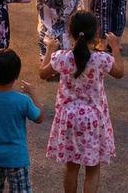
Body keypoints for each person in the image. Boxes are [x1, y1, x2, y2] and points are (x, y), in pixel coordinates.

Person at [40, 11, 122, 193]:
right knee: (93, 168)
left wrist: (49, 51)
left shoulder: (62, 57)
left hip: (69, 117)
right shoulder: (101, 59)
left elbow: (42, 73)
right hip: (93, 118)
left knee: (71, 167)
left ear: (69, 32)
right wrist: (115, 47)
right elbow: (119, 72)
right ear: (95, 34)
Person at [0, 49, 45, 193]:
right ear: (16, 75)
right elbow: (39, 118)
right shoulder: (23, 101)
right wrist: (33, 93)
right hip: (16, 158)